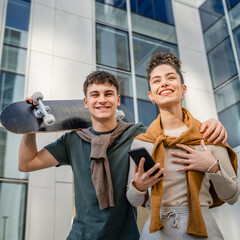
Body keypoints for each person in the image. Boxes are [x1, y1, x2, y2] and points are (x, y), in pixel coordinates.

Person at [19, 70, 228, 240]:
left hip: (125, 235)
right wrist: (30, 128)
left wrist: (210, 125)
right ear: (85, 102)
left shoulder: (137, 134)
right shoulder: (73, 140)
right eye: (95, 95)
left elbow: (176, 133)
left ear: (117, 99)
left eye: (108, 94)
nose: (102, 100)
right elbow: (27, 164)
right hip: (81, 236)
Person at [126, 52, 239, 240]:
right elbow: (133, 199)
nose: (164, 83)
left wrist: (213, 168)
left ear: (183, 88)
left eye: (171, 78)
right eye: (156, 81)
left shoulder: (209, 136)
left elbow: (232, 196)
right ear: (151, 95)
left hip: (203, 230)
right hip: (156, 232)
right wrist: (138, 186)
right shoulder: (142, 142)